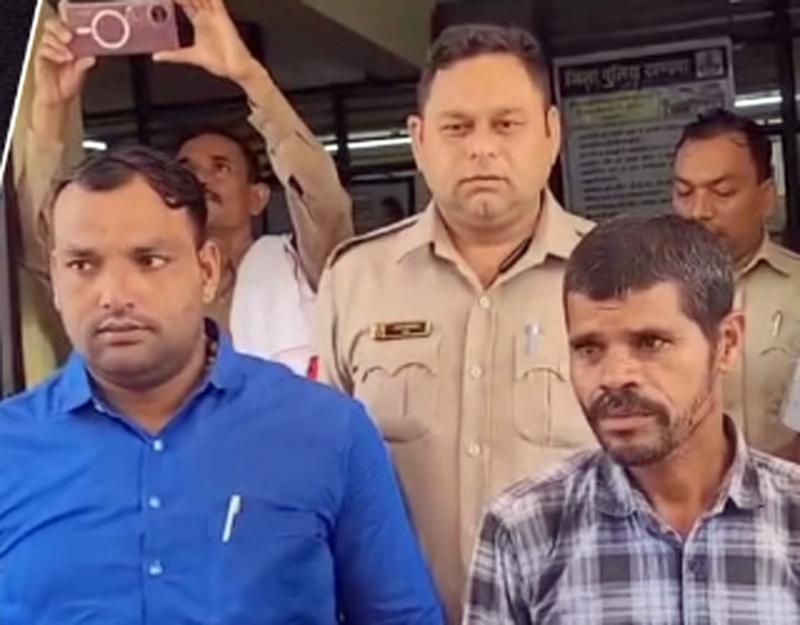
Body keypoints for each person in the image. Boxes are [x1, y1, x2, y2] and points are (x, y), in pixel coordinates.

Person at [0, 145, 442, 625]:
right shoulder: (11, 445)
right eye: (83, 265)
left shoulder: (326, 431)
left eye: (149, 260)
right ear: (56, 280)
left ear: (207, 270)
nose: (114, 295)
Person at [316, 24, 596, 622]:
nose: (482, 148)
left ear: (552, 133)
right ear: (419, 140)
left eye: (507, 124)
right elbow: (322, 470)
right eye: (457, 127)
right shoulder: (355, 280)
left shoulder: (617, 276)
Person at [464, 215, 800, 624]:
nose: (614, 376)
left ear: (727, 344)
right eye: (589, 349)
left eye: (650, 343)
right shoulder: (525, 528)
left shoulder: (791, 518)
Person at [18, 0, 352, 375]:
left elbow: (324, 200)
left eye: (221, 167)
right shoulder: (133, 282)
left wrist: (249, 76)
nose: (201, 178)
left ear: (256, 197)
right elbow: (38, 237)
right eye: (187, 168)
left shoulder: (298, 266)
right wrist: (50, 107)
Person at [672, 108, 800, 460]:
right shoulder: (648, 297)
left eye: (723, 192)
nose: (699, 211)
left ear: (766, 196)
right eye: (684, 192)